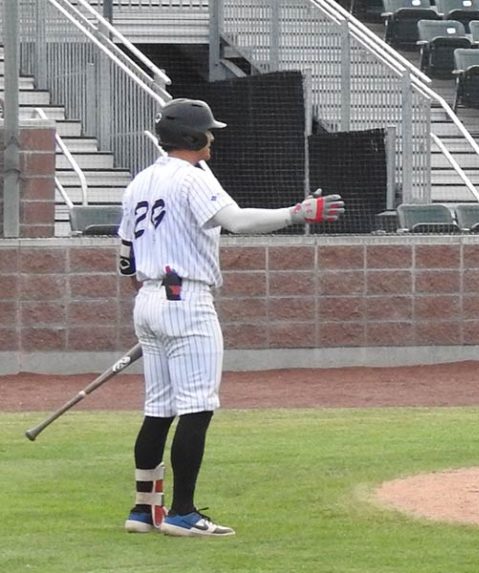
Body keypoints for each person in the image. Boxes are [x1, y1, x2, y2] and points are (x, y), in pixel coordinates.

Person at [118, 98, 344, 537]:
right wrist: (296, 214)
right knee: (197, 407)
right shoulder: (193, 176)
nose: (212, 138)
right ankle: (182, 513)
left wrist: (151, 302)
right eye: (207, 131)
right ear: (191, 136)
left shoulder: (140, 181)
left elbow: (126, 257)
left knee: (158, 410)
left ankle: (144, 511)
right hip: (186, 297)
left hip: (149, 297)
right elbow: (236, 221)